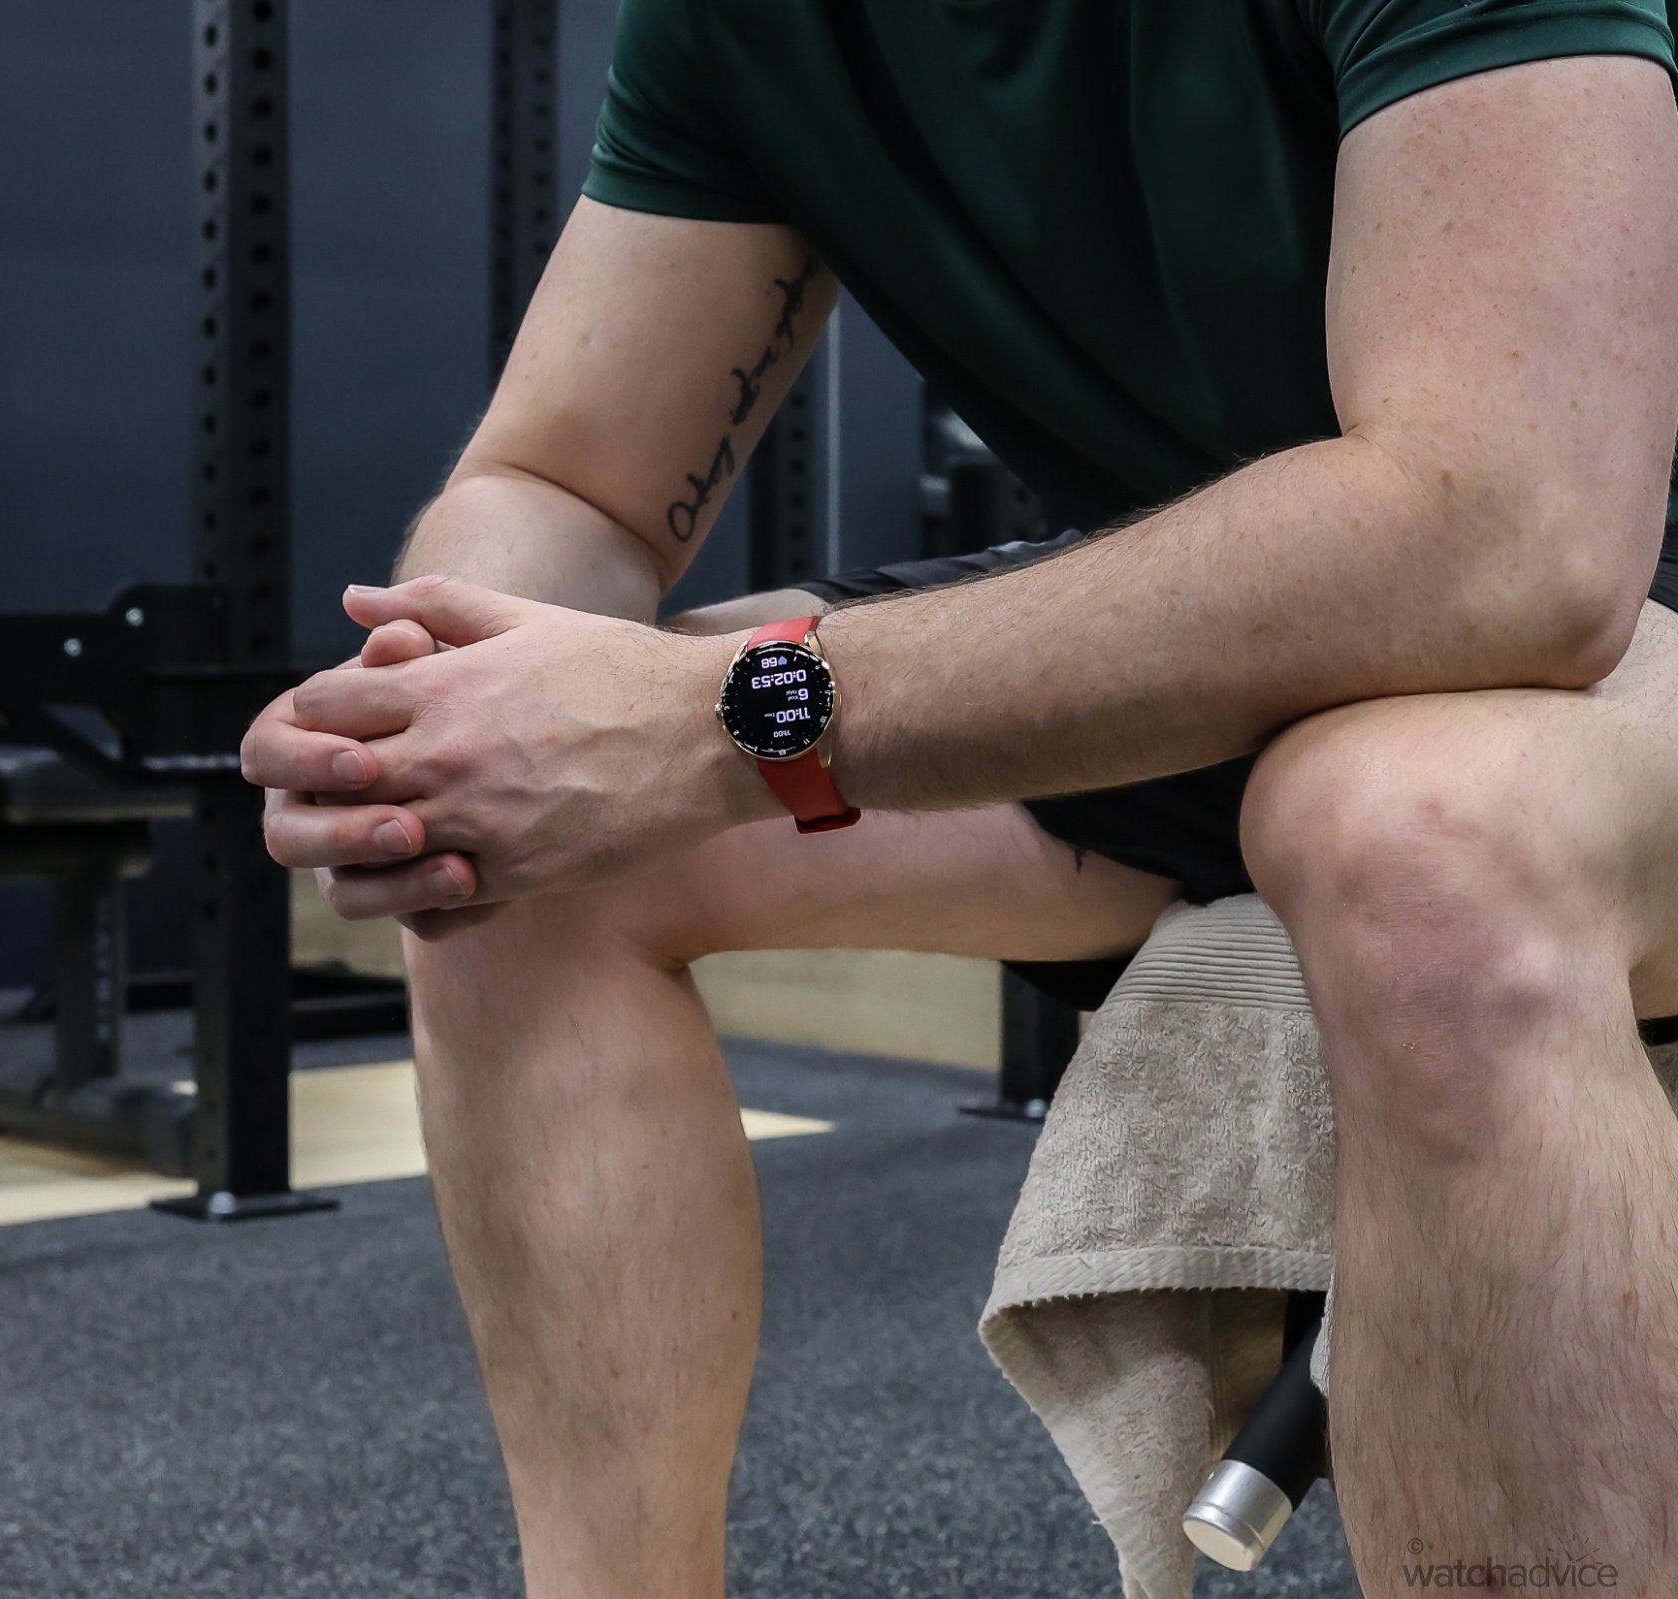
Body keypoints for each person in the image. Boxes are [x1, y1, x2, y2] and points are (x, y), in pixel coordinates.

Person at [242, 3, 1678, 1594]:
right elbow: (568, 484)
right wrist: (440, 707)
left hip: (1611, 615)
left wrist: (730, 720)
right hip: (1258, 641)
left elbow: (1513, 539)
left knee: (1415, 831)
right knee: (517, 845)